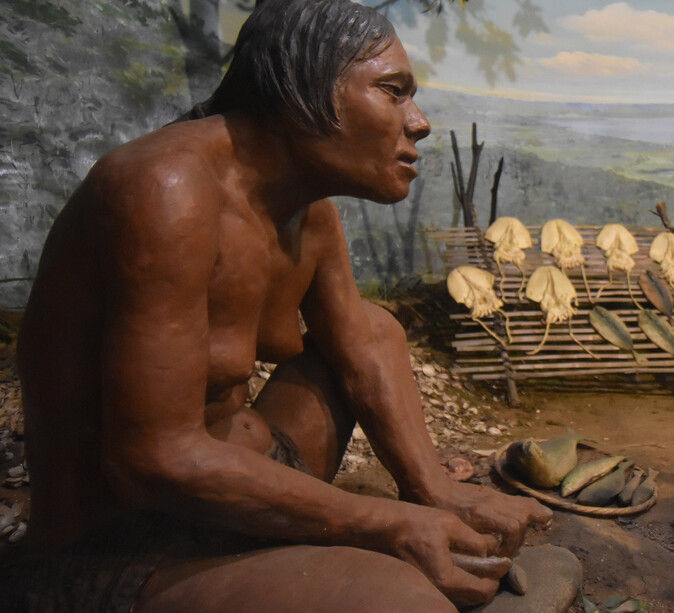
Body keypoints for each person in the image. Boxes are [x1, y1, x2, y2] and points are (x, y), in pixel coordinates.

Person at [11, 0, 550, 611]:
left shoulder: (308, 214)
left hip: (234, 498)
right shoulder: (165, 189)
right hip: (121, 545)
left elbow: (364, 343)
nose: (419, 123)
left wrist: (434, 491)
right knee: (399, 602)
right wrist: (382, 524)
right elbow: (152, 458)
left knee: (370, 328)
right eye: (393, 91)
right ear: (300, 89)